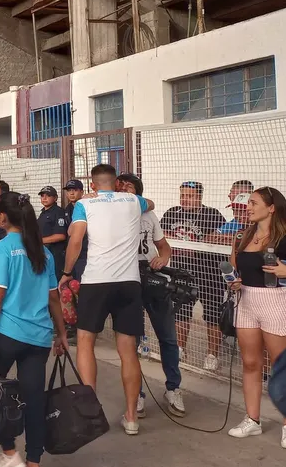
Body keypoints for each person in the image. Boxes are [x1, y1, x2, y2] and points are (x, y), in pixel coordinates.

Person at [0, 191, 68, 467]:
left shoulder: (1, 249)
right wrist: (61, 333)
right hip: (39, 338)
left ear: (3, 217)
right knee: (34, 401)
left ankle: (8, 453)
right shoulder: (40, 251)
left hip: (7, 334)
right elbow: (54, 297)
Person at [61, 164, 149, 435]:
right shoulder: (135, 200)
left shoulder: (86, 204)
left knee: (86, 343)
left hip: (96, 281)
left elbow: (75, 241)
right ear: (115, 182)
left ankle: (90, 414)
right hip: (129, 283)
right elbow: (151, 202)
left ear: (93, 183)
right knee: (128, 349)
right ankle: (132, 416)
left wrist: (65, 273)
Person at [227, 187, 286, 449]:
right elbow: (237, 269)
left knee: (283, 368)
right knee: (250, 362)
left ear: (271, 208)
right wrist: (235, 283)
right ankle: (252, 419)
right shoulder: (243, 235)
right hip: (247, 302)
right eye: (248, 203)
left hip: (277, 303)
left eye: (253, 202)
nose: (247, 207)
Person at [117, 173, 185, 419]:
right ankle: (138, 396)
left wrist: (163, 257)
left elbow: (164, 246)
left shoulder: (149, 215)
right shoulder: (110, 215)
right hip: (126, 279)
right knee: (131, 343)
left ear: (139, 192)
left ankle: (173, 388)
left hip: (150, 277)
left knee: (167, 336)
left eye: (130, 186)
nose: (125, 189)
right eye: (120, 186)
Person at [159, 181, 226, 371]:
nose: (185, 199)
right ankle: (180, 348)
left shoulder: (212, 214)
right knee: (181, 312)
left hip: (209, 273)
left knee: (213, 315)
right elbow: (163, 236)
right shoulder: (172, 213)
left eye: (190, 195)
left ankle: (212, 354)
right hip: (182, 273)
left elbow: (220, 238)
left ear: (199, 197)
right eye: (183, 195)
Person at [37, 186, 69, 276]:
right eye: (42, 196)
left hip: (54, 255)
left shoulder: (58, 212)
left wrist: (38, 241)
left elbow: (61, 236)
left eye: (48, 196)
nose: (44, 198)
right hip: (44, 254)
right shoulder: (43, 213)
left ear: (55, 198)